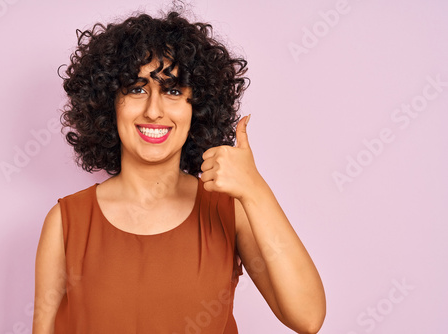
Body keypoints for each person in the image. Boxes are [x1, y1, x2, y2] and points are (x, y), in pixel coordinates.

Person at [33, 9, 326, 334]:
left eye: (172, 91)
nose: (154, 111)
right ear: (107, 102)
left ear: (196, 106)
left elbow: (308, 317)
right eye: (136, 89)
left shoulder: (230, 210)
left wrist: (255, 189)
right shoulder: (65, 222)